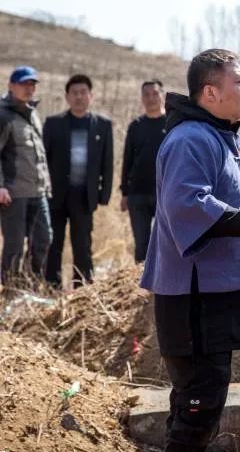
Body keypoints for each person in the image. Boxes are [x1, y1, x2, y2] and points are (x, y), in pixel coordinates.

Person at [140, 48, 240, 452]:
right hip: (194, 300)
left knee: (197, 401)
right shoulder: (191, 139)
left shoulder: (215, 135)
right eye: (239, 81)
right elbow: (187, 204)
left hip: (209, 295)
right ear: (210, 91)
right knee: (198, 404)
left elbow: (221, 203)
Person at [43, 74, 113, 288]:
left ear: (91, 96)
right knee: (53, 243)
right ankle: (52, 287)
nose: (79, 97)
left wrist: (104, 193)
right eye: (75, 93)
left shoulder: (102, 125)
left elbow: (107, 163)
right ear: (67, 96)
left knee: (82, 245)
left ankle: (82, 289)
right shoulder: (53, 124)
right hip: (56, 194)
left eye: (83, 92)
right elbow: (44, 159)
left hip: (84, 196)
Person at [0, 66, 52, 285]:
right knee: (14, 246)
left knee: (44, 238)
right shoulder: (3, 116)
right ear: (11, 86)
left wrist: (46, 186)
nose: (29, 88)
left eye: (32, 84)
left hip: (38, 191)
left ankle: (32, 285)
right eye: (24, 84)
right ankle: (9, 292)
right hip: (14, 193)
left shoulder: (33, 113)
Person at [120, 79, 168, 262]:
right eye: (146, 94)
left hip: (164, 192)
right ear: (142, 98)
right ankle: (140, 284)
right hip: (137, 194)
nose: (151, 98)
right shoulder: (136, 126)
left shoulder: (172, 124)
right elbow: (127, 160)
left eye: (155, 93)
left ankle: (163, 284)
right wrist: (124, 192)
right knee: (141, 243)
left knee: (164, 241)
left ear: (162, 95)